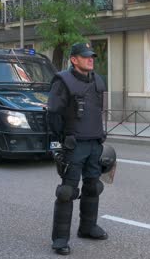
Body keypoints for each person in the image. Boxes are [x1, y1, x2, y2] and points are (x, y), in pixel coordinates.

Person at [47, 42, 108, 255]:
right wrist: (56, 144)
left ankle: (88, 227)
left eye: (92, 56)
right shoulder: (63, 81)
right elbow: (53, 114)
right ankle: (60, 238)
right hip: (73, 145)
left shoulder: (98, 80)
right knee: (67, 191)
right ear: (74, 59)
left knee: (94, 187)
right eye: (85, 56)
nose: (90, 59)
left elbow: (98, 111)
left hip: (94, 143)